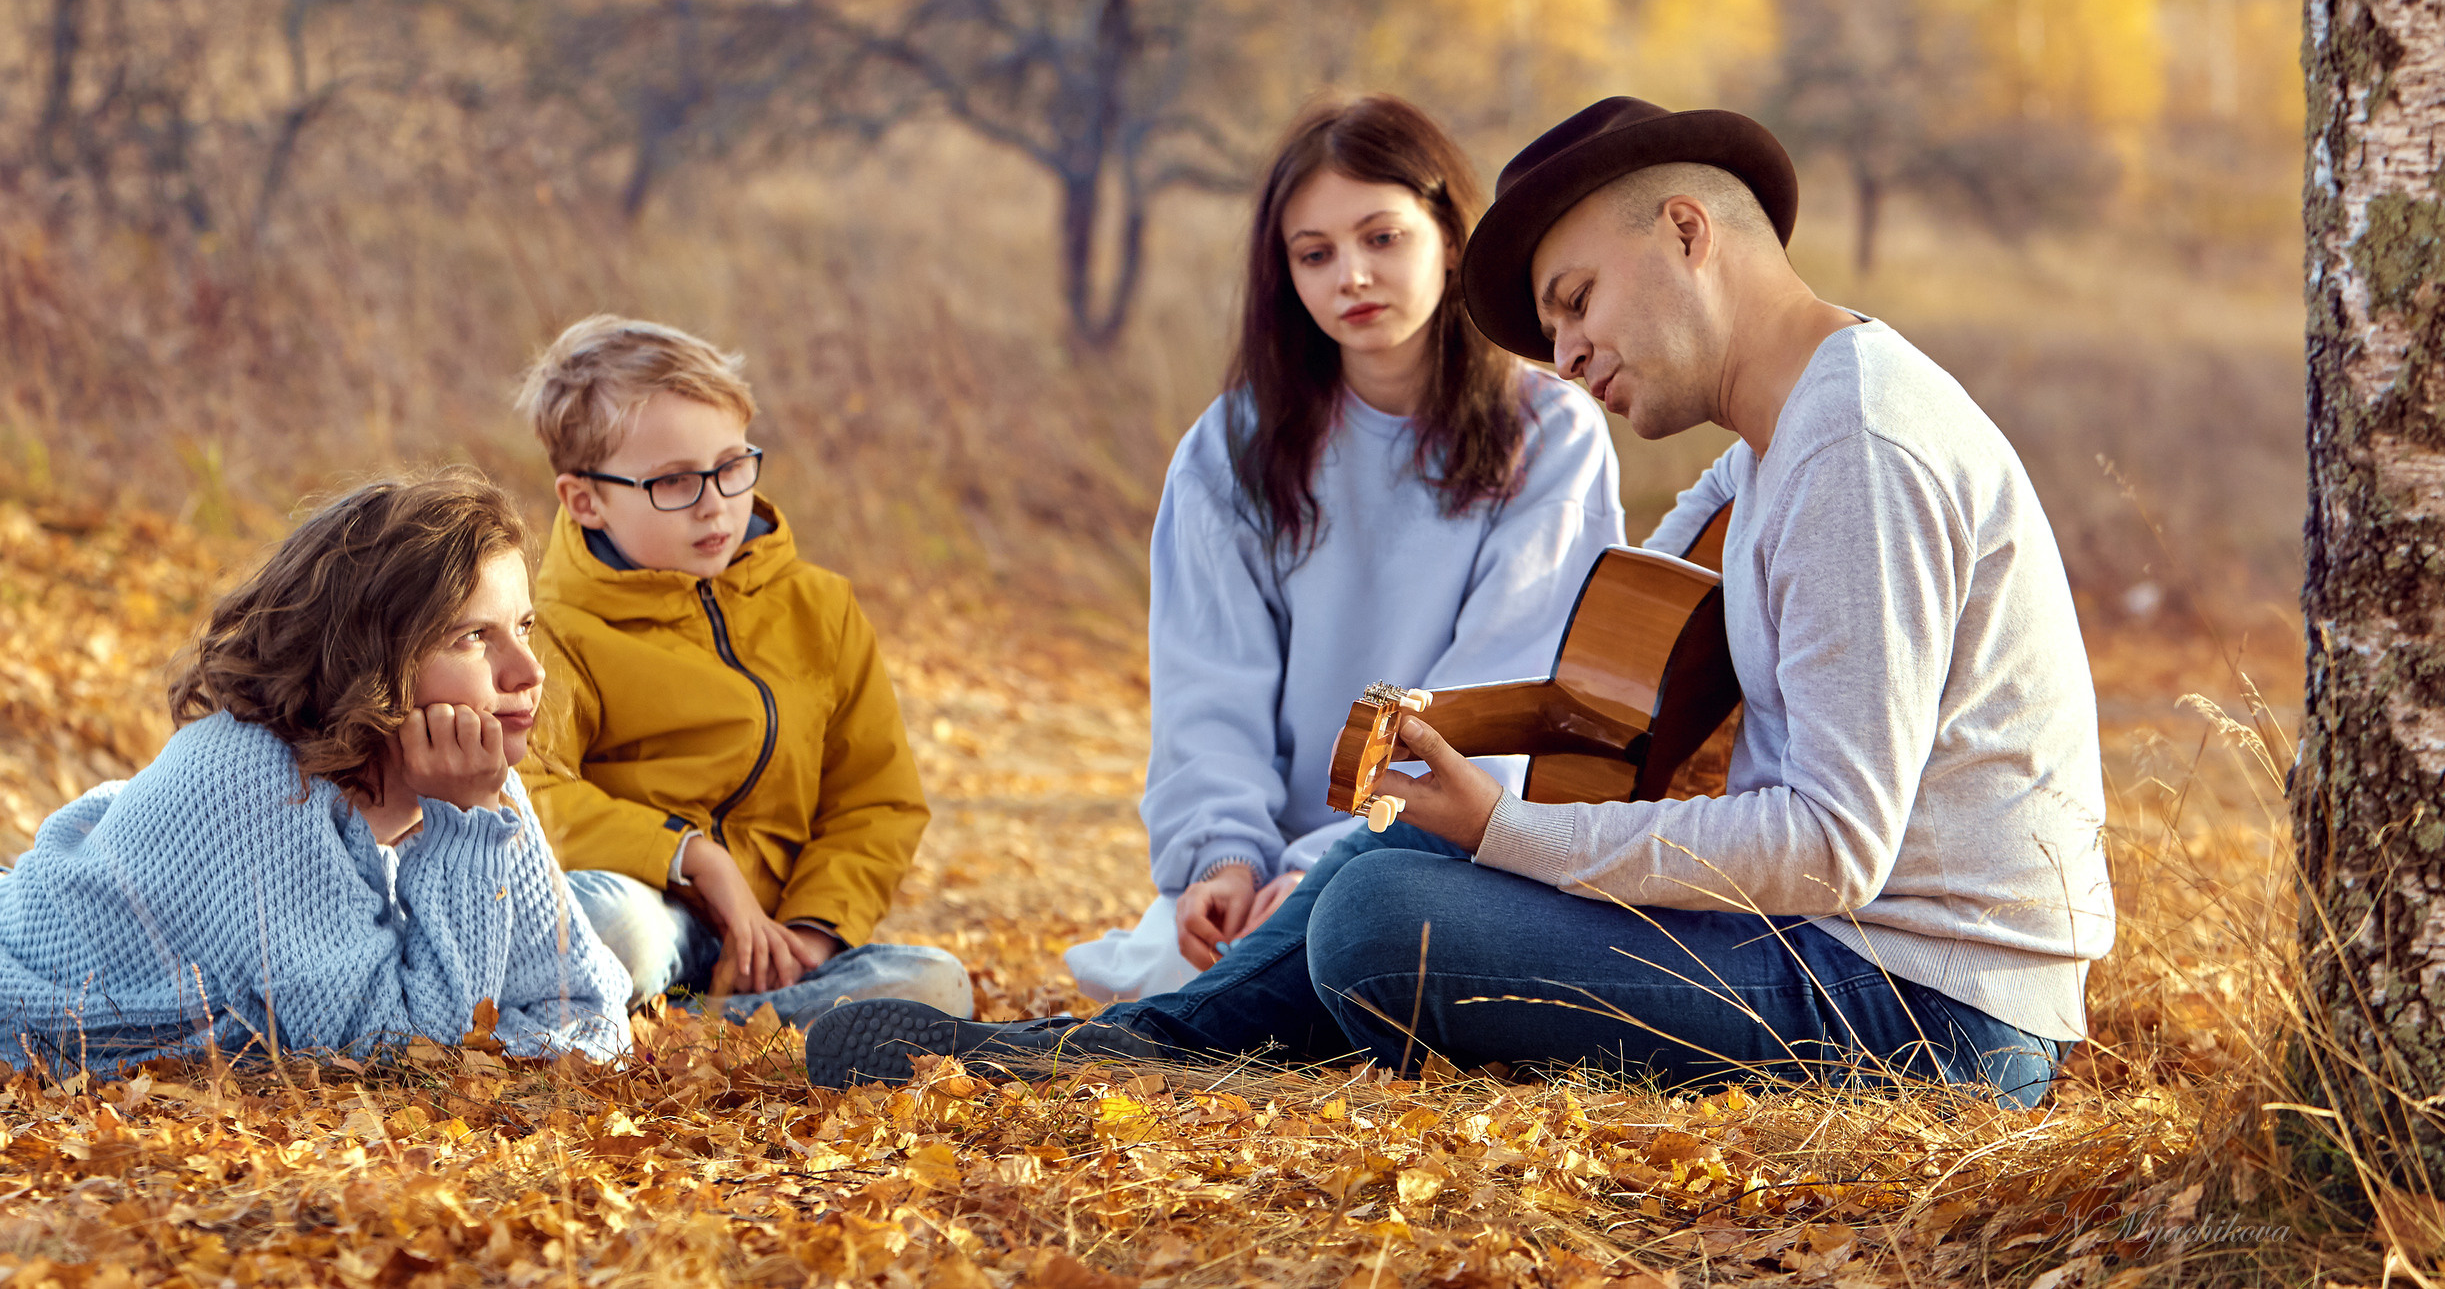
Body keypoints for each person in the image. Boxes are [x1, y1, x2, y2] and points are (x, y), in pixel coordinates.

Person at [807, 97, 2114, 1109]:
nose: (1569, 353)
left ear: (1686, 232)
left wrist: (1508, 829)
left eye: (1577, 300)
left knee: (1387, 911)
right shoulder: (1778, 443)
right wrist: (1468, 804)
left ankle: (1127, 1055)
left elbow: (1835, 843)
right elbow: (1622, 652)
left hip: (1926, 1014)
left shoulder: (1859, 449)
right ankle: (1118, 1055)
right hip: (1844, 960)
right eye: (1550, 327)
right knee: (1393, 856)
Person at [1062, 95, 1624, 1003]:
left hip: (1451, 858)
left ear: (1448, 235)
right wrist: (1225, 858)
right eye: (1315, 254)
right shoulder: (1231, 447)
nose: (1351, 276)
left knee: (1362, 945)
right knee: (1198, 969)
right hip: (1263, 878)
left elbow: (1501, 696)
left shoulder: (1550, 429)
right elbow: (1209, 686)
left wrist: (1334, 862)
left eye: (1382, 238)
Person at [0, 471, 632, 1073]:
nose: (528, 670)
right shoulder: (254, 782)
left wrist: (506, 1042)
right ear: (370, 654)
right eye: (472, 637)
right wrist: (466, 822)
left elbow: (591, 1004)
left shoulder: (470, 769)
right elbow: (397, 1055)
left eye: (523, 626)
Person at [514, 316, 972, 1028]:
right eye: (673, 481)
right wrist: (689, 855)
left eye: (731, 466)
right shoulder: (553, 630)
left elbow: (875, 801)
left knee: (934, 980)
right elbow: (531, 793)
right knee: (603, 921)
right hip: (651, 915)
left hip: (779, 940)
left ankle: (691, 1030)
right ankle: (716, 1027)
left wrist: (817, 932)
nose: (714, 503)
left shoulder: (820, 607)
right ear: (585, 499)